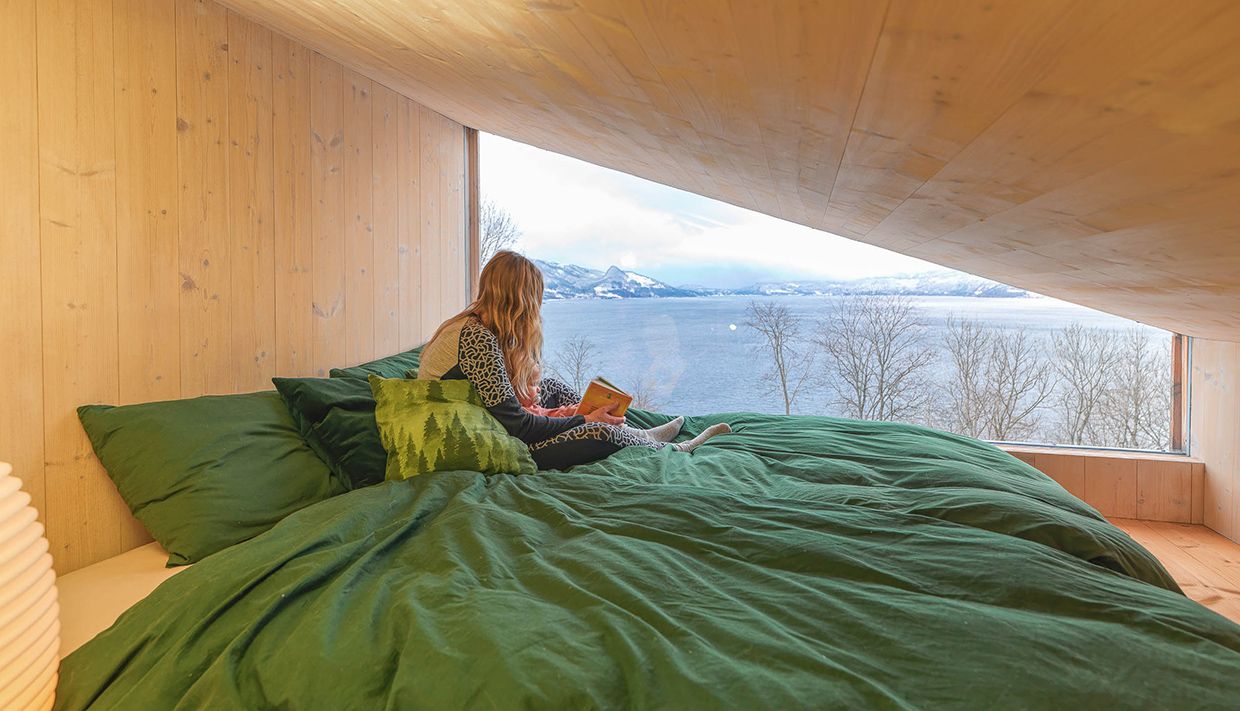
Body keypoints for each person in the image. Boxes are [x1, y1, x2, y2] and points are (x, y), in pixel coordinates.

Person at [417, 250, 730, 470]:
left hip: (491, 422)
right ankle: (670, 448)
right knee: (598, 430)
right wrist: (585, 420)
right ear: (522, 300)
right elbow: (518, 426)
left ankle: (639, 434)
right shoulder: (476, 337)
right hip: (487, 439)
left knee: (552, 386)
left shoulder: (478, 327)